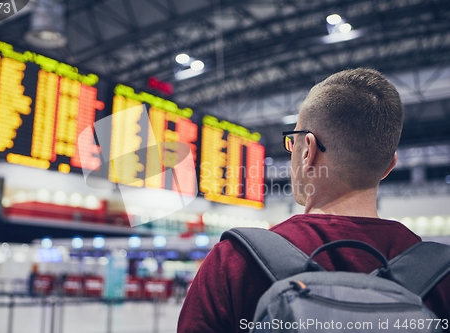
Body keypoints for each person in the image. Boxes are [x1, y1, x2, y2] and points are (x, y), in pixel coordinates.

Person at [178, 68, 450, 332]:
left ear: (308, 149)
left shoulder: (234, 262)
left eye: (292, 142)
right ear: (389, 166)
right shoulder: (441, 277)